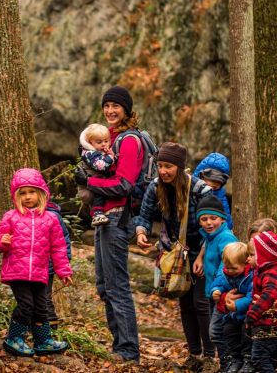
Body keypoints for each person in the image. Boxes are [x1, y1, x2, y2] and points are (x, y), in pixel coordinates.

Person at [74, 85, 144, 363]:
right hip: (105, 217)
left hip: (117, 216)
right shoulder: (107, 139)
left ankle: (128, 351)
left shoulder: (128, 141)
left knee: (117, 285)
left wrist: (88, 182)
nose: (110, 111)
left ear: (126, 110)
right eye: (107, 106)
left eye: (116, 106)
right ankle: (119, 346)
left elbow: (125, 184)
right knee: (104, 285)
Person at [133, 142, 215, 372]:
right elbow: (145, 214)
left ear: (180, 167)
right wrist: (141, 233)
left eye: (168, 166)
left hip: (203, 250)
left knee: (201, 303)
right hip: (175, 253)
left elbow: (216, 227)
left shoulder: (200, 190)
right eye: (160, 165)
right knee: (185, 302)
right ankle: (194, 354)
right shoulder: (155, 186)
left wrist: (202, 257)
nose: (163, 171)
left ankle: (210, 356)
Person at [0, 168, 73, 357]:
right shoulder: (11, 216)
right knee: (26, 305)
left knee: (41, 306)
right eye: (23, 193)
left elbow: (58, 248)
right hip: (16, 271)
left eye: (32, 192)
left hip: (39, 271)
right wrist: (1, 241)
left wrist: (64, 271)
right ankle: (14, 338)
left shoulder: (51, 219)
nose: (28, 197)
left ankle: (42, 340)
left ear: (41, 193)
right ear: (16, 196)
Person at [197, 194, 238, 368]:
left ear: (222, 219)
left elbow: (225, 265)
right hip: (213, 292)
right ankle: (226, 364)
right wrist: (200, 258)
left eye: (213, 218)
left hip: (223, 293)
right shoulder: (210, 236)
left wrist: (217, 288)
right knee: (218, 332)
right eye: (204, 219)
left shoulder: (226, 238)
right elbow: (208, 248)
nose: (208, 223)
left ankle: (229, 363)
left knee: (218, 332)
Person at [245, 231, 277, 373]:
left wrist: (252, 315)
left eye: (252, 255)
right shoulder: (263, 271)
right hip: (265, 326)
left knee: (259, 358)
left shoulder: (271, 273)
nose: (248, 259)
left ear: (263, 256)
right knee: (268, 359)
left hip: (270, 327)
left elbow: (268, 296)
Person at [210, 242, 254, 373]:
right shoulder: (226, 273)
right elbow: (218, 282)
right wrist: (216, 290)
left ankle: (247, 359)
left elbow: (251, 295)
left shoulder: (250, 276)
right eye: (227, 267)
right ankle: (234, 360)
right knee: (228, 333)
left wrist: (237, 305)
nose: (229, 271)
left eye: (233, 268)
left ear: (246, 263)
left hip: (245, 313)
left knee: (245, 335)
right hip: (232, 315)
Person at [77, 123, 116, 227]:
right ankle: (97, 214)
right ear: (90, 143)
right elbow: (100, 166)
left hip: (92, 183)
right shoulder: (89, 153)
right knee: (99, 193)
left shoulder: (98, 151)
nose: (104, 144)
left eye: (106, 141)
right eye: (99, 142)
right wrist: (111, 157)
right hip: (88, 188)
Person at [45, 201, 72, 330]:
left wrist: (64, 268)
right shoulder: (18, 215)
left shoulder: (52, 215)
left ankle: (51, 329)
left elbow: (62, 241)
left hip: (47, 264)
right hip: (26, 266)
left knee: (44, 297)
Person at [193, 152, 232, 230]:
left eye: (218, 183)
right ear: (201, 176)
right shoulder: (192, 191)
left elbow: (227, 221)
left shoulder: (220, 196)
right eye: (212, 180)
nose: (215, 185)